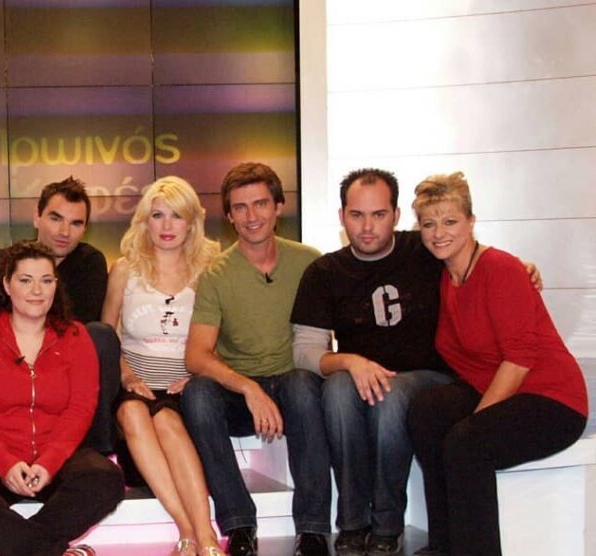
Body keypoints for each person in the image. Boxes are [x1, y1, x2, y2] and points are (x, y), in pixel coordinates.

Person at [407, 172, 587, 556]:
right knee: (426, 411)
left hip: (552, 398)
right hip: (494, 385)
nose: (439, 233)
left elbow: (519, 360)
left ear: (471, 221)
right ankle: (444, 546)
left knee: (466, 443)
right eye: (429, 224)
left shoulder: (500, 269)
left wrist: (476, 421)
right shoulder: (443, 271)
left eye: (450, 221)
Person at [289, 168, 455, 556]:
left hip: (428, 376)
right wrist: (350, 361)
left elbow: (472, 259)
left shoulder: (425, 250)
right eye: (356, 215)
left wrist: (522, 269)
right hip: (362, 376)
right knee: (337, 389)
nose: (367, 227)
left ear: (396, 215)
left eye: (378, 215)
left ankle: (387, 524)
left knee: (389, 395)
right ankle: (352, 522)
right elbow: (304, 352)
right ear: (341, 216)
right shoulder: (324, 272)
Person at [0, 241, 124, 556]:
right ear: (7, 285)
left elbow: (80, 409)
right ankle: (46, 550)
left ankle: (7, 545)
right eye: (25, 280)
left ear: (56, 286)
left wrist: (48, 462)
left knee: (105, 479)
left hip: (56, 459)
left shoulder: (75, 336)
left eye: (46, 280)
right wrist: (5, 462)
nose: (37, 290)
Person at [182, 162, 331, 556]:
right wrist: (249, 388)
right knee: (198, 394)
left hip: (295, 389)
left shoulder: (310, 262)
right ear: (229, 216)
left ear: (278, 206)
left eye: (261, 204)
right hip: (242, 395)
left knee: (301, 386)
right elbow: (196, 355)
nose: (252, 216)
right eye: (241, 207)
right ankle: (239, 524)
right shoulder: (216, 274)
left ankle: (313, 530)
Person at [0, 177, 118, 454]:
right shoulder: (2, 261)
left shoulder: (89, 262)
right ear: (37, 217)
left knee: (100, 336)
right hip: (3, 366)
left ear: (85, 229)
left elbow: (75, 325)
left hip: (57, 367)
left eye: (76, 223)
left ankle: (99, 449)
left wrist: (2, 300)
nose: (64, 231)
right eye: (55, 218)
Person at [100, 177, 223, 556]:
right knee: (134, 413)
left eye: (177, 216)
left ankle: (206, 536)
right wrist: (126, 374)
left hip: (185, 390)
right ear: (144, 221)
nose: (167, 225)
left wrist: (197, 373)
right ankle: (187, 531)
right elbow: (107, 336)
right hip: (133, 386)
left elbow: (225, 337)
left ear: (192, 222)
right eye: (157, 215)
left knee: (167, 420)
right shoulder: (125, 270)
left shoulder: (212, 270)